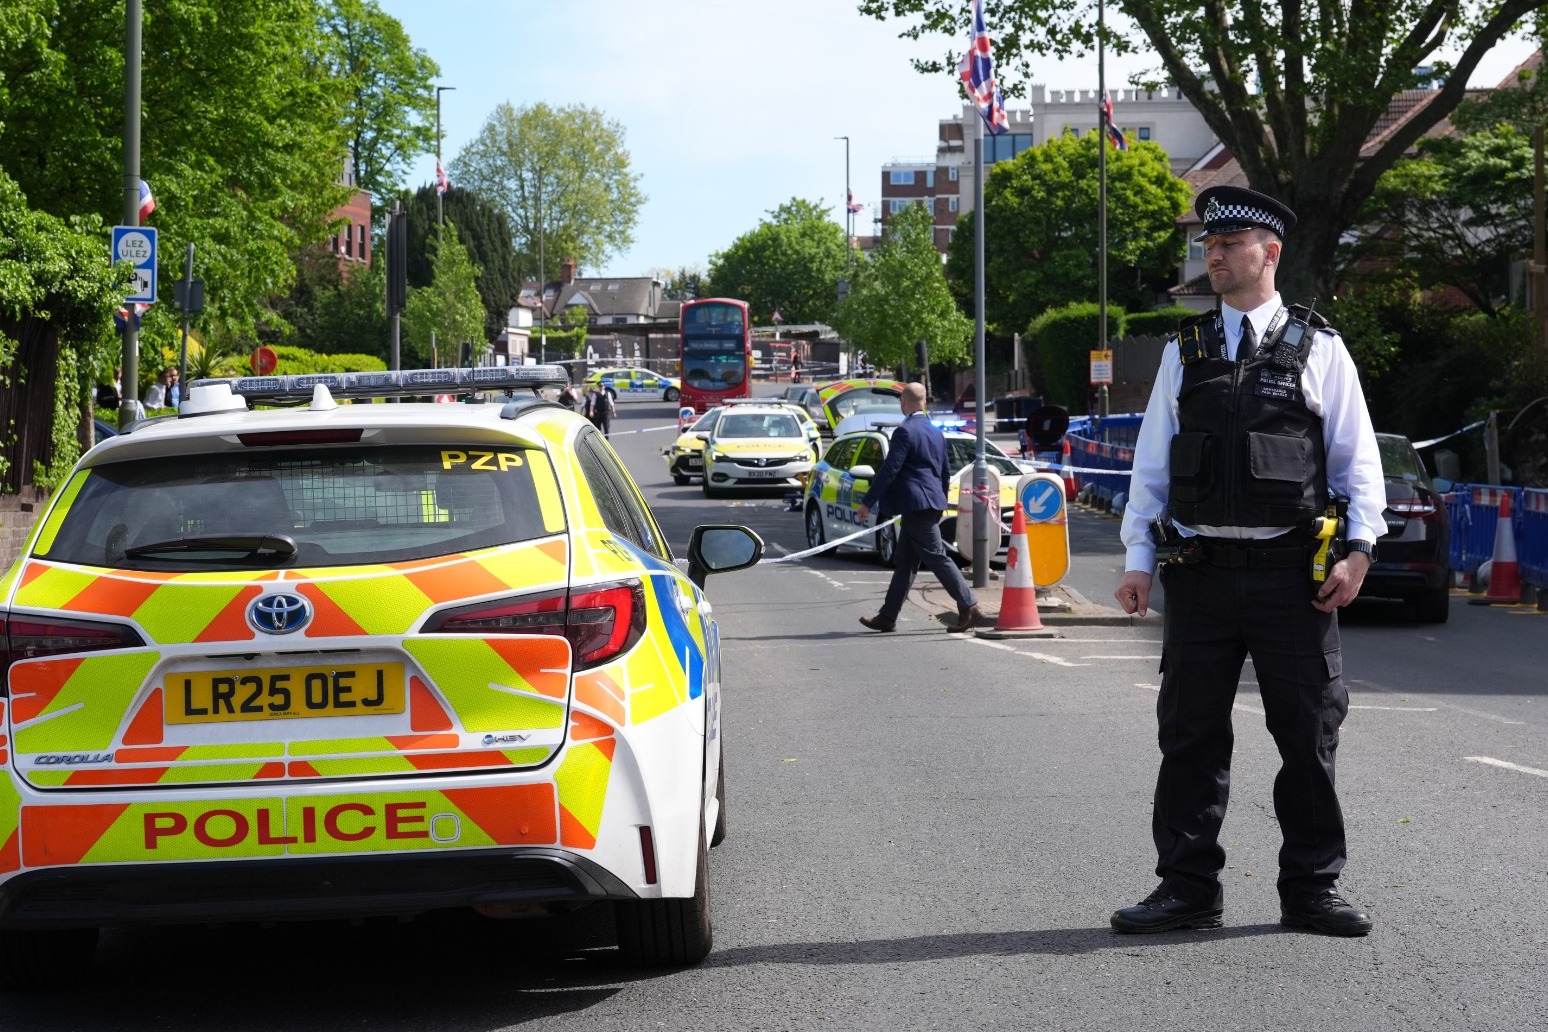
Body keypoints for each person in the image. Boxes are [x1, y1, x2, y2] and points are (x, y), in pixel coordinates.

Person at [1111, 185, 1385, 938]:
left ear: (1270, 253)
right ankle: (1187, 889)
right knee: (1191, 735)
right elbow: (1153, 469)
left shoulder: (1320, 348)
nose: (1215, 255)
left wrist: (1359, 551)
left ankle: (1312, 890)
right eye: (1209, 244)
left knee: (1307, 735)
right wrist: (1138, 559)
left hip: (1288, 575)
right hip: (1198, 572)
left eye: (1230, 244)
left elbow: (1358, 464)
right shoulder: (1184, 350)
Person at [856, 382, 982, 635]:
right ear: (924, 401)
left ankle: (969, 605)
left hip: (915, 505)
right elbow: (945, 472)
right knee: (905, 563)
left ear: (904, 401)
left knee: (936, 557)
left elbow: (890, 469)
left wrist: (868, 501)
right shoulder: (935, 432)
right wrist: (940, 500)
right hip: (932, 502)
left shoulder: (904, 432)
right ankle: (888, 616)